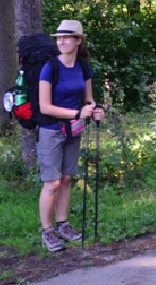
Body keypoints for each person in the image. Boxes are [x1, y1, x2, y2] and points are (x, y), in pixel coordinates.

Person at [37, 19, 106, 252]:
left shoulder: (83, 67)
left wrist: (96, 110)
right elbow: (44, 107)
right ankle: (47, 231)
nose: (61, 42)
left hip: (73, 130)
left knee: (66, 179)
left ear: (78, 41)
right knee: (52, 183)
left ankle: (63, 225)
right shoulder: (50, 68)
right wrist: (77, 113)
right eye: (59, 38)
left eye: (66, 37)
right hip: (50, 130)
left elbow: (89, 99)